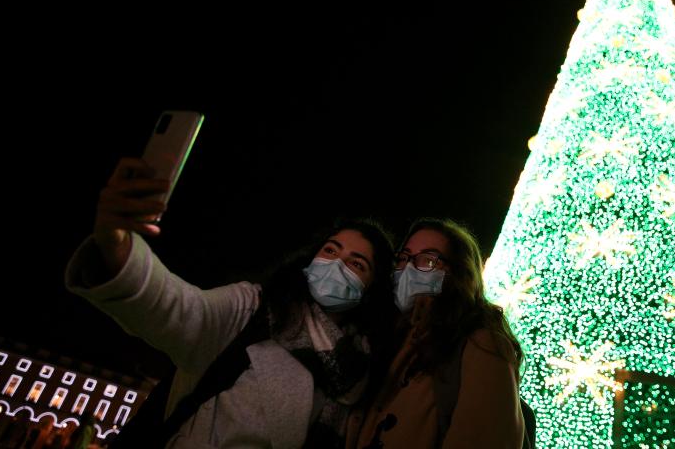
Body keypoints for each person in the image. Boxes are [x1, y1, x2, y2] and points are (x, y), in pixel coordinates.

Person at [65, 158, 395, 448]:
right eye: (331, 250)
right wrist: (116, 244)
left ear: (371, 290)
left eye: (356, 263)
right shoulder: (254, 308)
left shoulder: (359, 375)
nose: (336, 264)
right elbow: (179, 309)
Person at [349, 217, 525, 448]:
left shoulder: (480, 343)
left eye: (429, 260)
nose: (410, 268)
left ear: (458, 272)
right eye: (404, 258)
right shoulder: (391, 340)